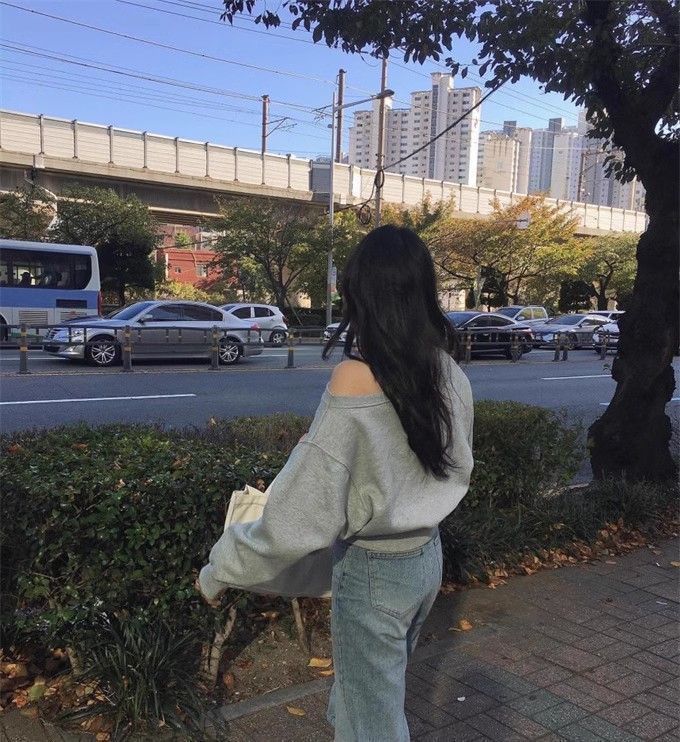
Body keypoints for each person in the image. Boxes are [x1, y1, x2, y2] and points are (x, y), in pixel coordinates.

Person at [197, 225, 474, 741]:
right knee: (361, 702)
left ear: (360, 296)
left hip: (374, 572)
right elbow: (452, 466)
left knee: (371, 725)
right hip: (425, 560)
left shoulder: (355, 378)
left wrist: (221, 567)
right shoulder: (444, 370)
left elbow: (299, 516)